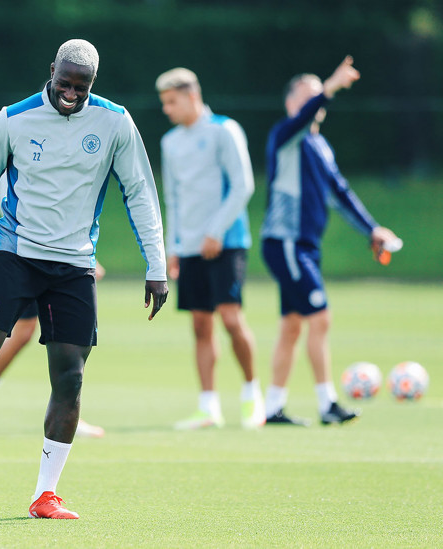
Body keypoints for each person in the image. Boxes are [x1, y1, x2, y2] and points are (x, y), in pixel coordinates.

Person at [0, 39, 168, 520]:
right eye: (64, 82)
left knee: (70, 378)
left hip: (74, 266)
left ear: (92, 85)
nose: (70, 93)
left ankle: (45, 494)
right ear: (51, 72)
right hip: (16, 256)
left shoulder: (115, 123)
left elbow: (141, 193)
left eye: (80, 87)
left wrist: (157, 266)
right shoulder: (13, 119)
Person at [260, 56, 399, 426]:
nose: (318, 101)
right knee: (320, 319)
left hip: (303, 247)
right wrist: (331, 88)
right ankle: (328, 405)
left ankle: (272, 408)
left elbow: (341, 193)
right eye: (310, 96)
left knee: (293, 325)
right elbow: (307, 115)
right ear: (293, 104)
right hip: (286, 243)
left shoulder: (322, 147)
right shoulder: (285, 137)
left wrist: (373, 229)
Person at [155, 68, 265, 431]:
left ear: (190, 96)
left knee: (231, 319)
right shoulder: (171, 142)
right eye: (164, 103)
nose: (167, 109)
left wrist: (215, 231)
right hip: (188, 249)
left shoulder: (224, 130)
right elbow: (172, 197)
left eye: (172, 101)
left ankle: (252, 397)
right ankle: (208, 407)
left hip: (226, 243)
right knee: (201, 325)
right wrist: (172, 247)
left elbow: (243, 184)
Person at [0, 264, 107, 439]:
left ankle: (68, 416)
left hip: (64, 263)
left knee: (67, 339)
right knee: (22, 333)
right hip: (30, 259)